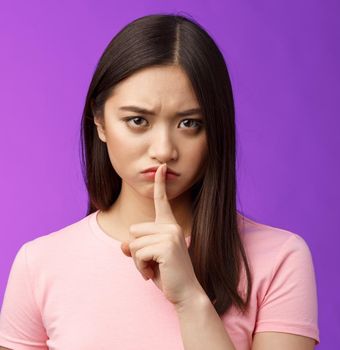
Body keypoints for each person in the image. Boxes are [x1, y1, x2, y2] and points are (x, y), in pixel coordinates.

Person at [0, 13, 319, 350]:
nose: (164, 150)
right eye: (138, 120)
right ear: (100, 122)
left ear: (217, 130)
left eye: (190, 124)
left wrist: (190, 299)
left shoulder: (280, 258)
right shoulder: (40, 264)